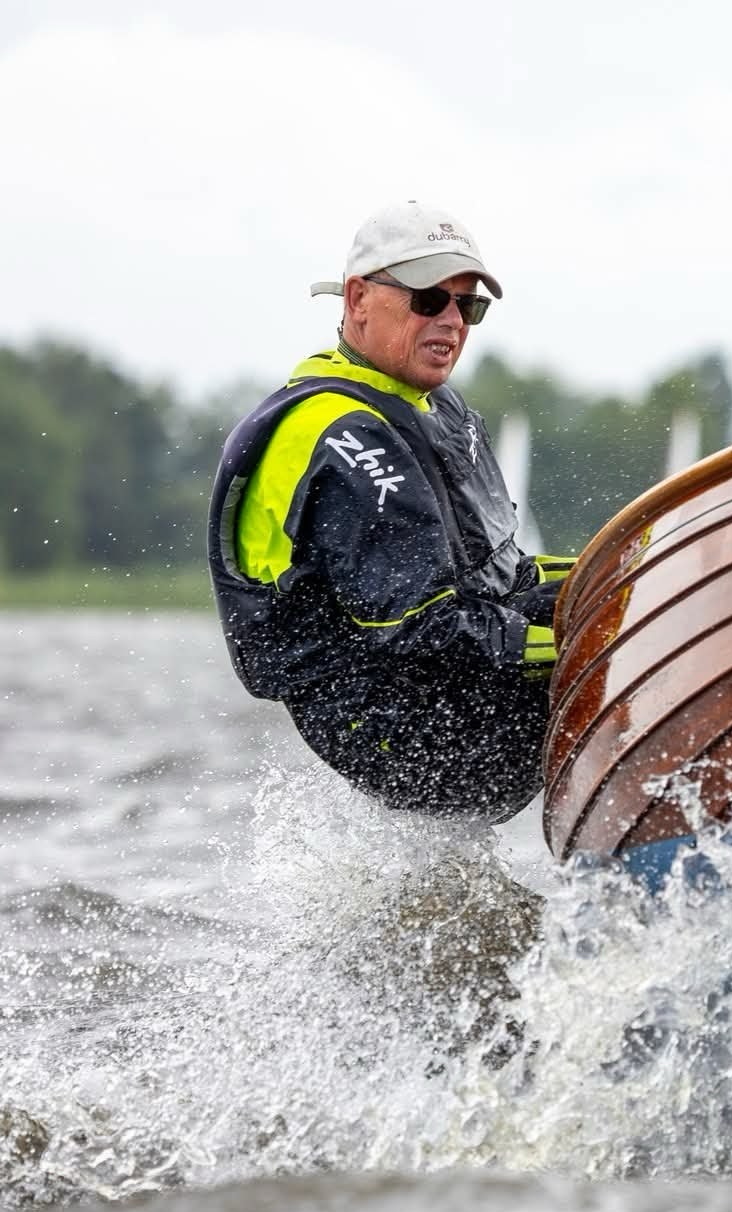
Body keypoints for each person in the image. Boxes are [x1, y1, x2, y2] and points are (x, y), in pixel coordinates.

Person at [207, 202, 572, 823]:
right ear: (357, 299)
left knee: (640, 595)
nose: (453, 322)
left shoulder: (434, 408)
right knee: (632, 641)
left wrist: (635, 565)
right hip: (407, 731)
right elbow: (424, 629)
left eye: (469, 306)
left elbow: (507, 581)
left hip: (453, 687)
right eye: (430, 299)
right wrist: (586, 644)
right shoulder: (336, 432)